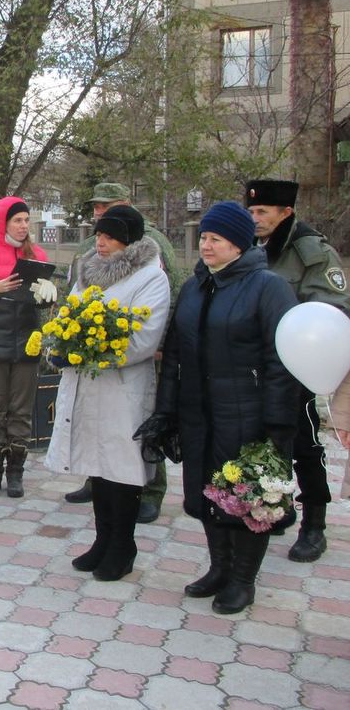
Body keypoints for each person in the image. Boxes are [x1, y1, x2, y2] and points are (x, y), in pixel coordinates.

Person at [151, 201, 298, 614]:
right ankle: (219, 567)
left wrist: (276, 423)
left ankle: (242, 579)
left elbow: (280, 359)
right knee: (207, 493)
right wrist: (167, 412)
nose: (206, 246)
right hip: (200, 413)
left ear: (239, 243)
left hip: (247, 415)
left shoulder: (268, 287)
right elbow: (175, 354)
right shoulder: (196, 285)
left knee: (248, 498)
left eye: (216, 239)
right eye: (203, 238)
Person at [45, 205, 171, 581]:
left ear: (128, 240)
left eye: (110, 236)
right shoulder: (87, 270)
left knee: (121, 468)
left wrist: (92, 351)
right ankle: (102, 540)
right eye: (99, 235)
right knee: (97, 468)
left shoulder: (151, 277)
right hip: (87, 384)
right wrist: (63, 341)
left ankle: (123, 546)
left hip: (122, 388)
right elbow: (71, 312)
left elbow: (145, 336)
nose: (100, 242)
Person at [245, 179, 350, 563]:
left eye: (262, 213)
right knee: (264, 441)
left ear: (286, 212)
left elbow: (332, 305)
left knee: (304, 445)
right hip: (256, 365)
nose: (254, 219)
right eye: (252, 212)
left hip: (296, 367)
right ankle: (278, 506)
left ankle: (315, 524)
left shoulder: (310, 251)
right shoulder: (250, 246)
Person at [65, 181, 180, 522]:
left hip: (137, 356)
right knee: (99, 431)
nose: (100, 211)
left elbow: (166, 296)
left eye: (108, 205)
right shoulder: (93, 246)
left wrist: (159, 345)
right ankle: (94, 478)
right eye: (97, 206)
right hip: (94, 364)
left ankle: (151, 489)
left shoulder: (152, 244)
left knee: (139, 429)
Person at [0, 195, 57, 498]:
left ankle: (15, 474)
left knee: (20, 412)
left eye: (26, 220)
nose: (23, 226)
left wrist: (50, 294)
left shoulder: (37, 254)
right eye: (18, 220)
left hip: (26, 345)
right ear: (3, 222)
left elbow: (42, 302)